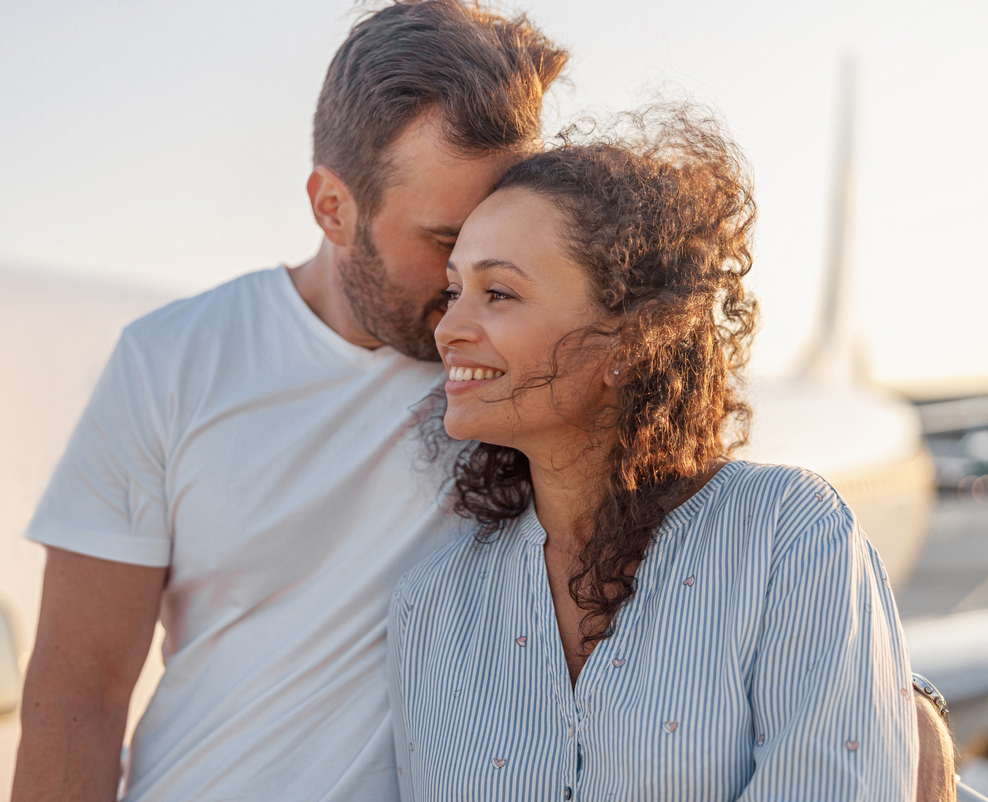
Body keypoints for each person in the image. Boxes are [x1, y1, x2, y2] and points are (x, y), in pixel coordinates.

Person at [10, 0, 567, 801]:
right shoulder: (170, 363)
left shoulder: (532, 370)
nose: (470, 284)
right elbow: (75, 695)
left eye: (501, 243)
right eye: (445, 241)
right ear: (333, 207)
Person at [387, 107, 921, 799]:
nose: (450, 328)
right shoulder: (430, 606)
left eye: (498, 293)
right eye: (454, 291)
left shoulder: (787, 535)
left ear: (632, 341)